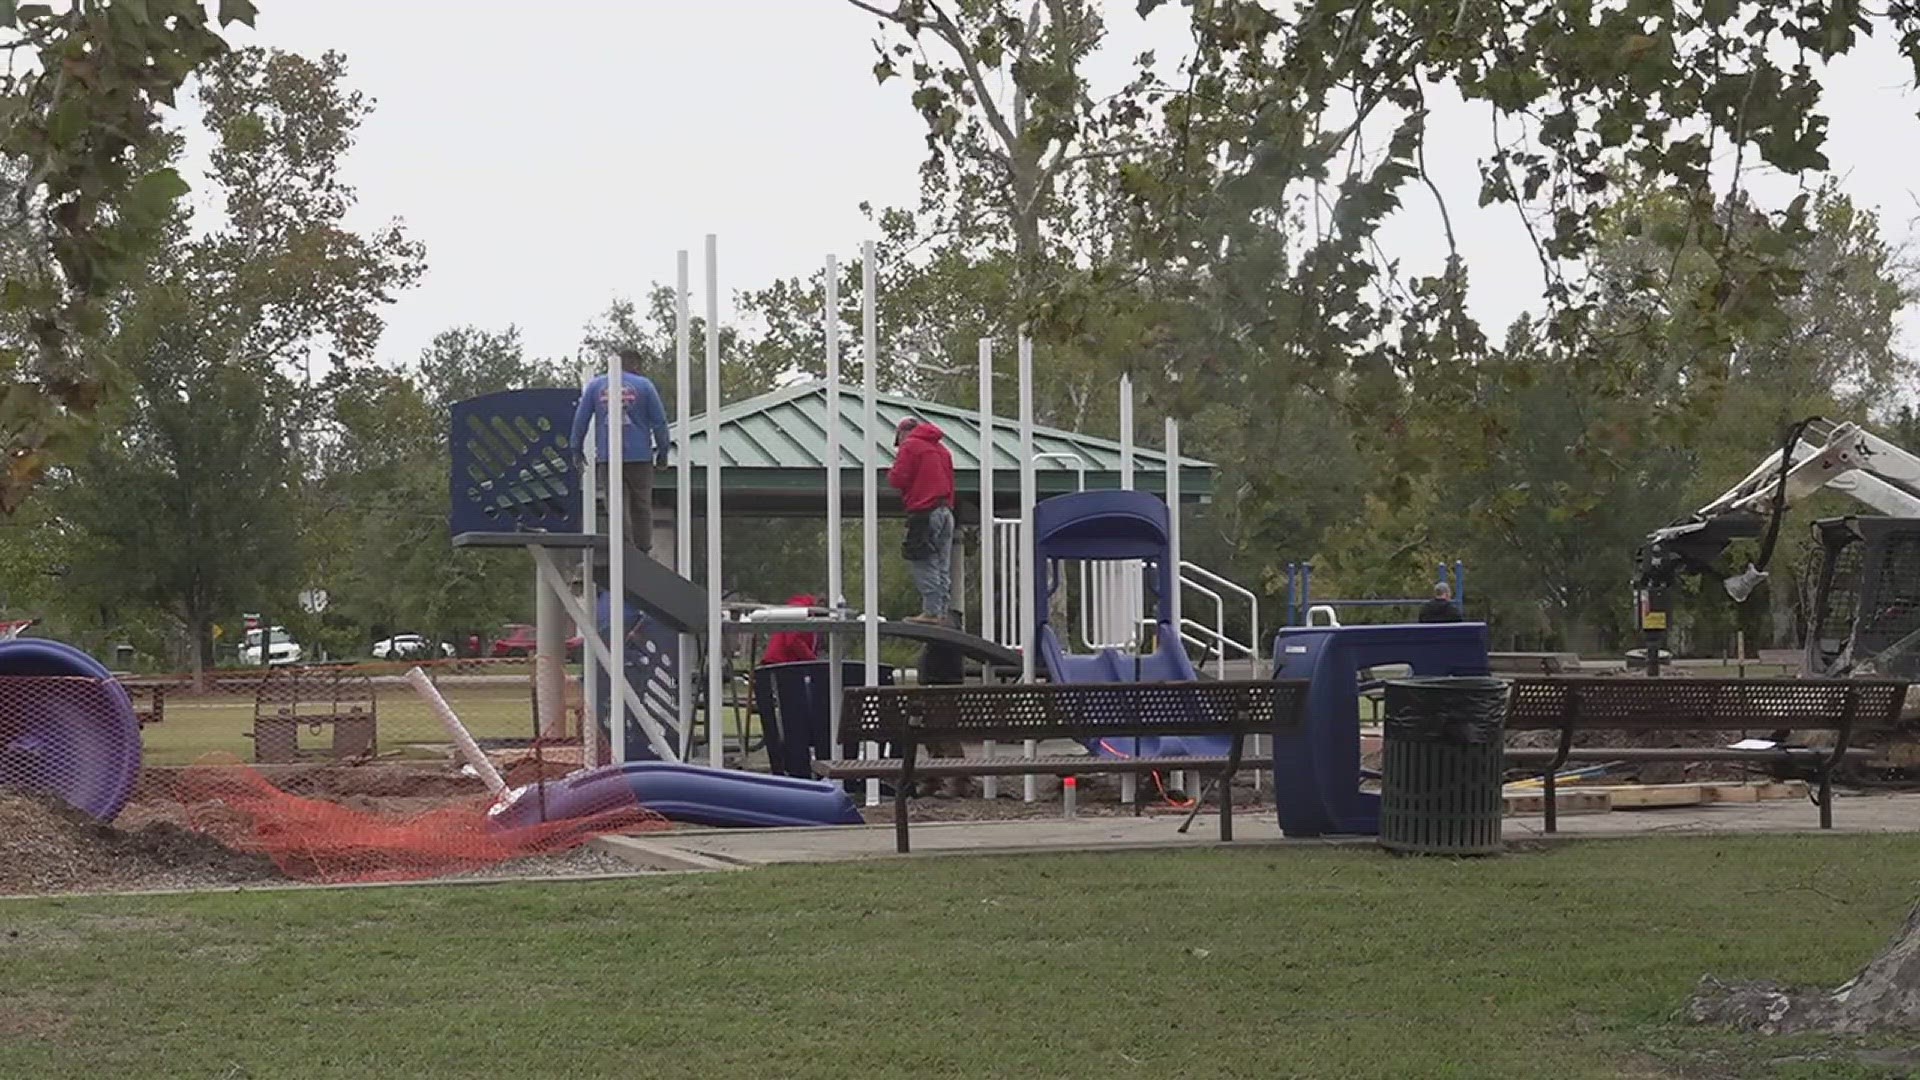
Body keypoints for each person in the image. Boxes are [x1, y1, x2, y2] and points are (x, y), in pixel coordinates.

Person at [571, 347, 672, 551]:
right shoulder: (644, 386)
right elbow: (659, 422)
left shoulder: (596, 386)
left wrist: (576, 448)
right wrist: (662, 452)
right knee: (641, 504)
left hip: (608, 456)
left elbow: (581, 420)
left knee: (616, 505)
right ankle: (643, 547)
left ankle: (624, 547)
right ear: (635, 364)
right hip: (639, 456)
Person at [886, 416, 956, 625]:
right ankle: (942, 611)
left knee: (921, 559)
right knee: (941, 564)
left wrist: (891, 472)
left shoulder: (911, 446)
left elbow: (899, 478)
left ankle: (931, 612)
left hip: (924, 511)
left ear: (902, 433)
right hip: (946, 511)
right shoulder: (942, 450)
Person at [760, 594, 821, 665]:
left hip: (784, 662)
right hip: (780, 662)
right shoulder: (799, 611)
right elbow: (793, 640)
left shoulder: (803, 612)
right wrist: (812, 660)